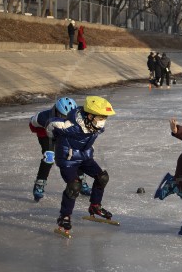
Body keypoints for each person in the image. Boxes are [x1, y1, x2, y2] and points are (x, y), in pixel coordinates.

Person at [47, 96, 116, 237]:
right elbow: (51, 124)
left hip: (85, 157)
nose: (103, 121)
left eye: (105, 118)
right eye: (101, 117)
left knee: (102, 177)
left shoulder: (95, 125)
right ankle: (64, 217)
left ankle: (95, 206)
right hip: (68, 159)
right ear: (90, 116)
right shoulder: (70, 125)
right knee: (74, 186)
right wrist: (53, 140)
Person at [28, 97, 91, 201]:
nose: (67, 118)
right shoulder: (43, 117)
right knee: (49, 156)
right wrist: (44, 132)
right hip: (45, 134)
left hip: (63, 132)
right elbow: (32, 124)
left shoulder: (77, 117)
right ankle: (40, 184)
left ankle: (81, 181)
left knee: (75, 154)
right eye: (63, 116)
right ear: (57, 112)